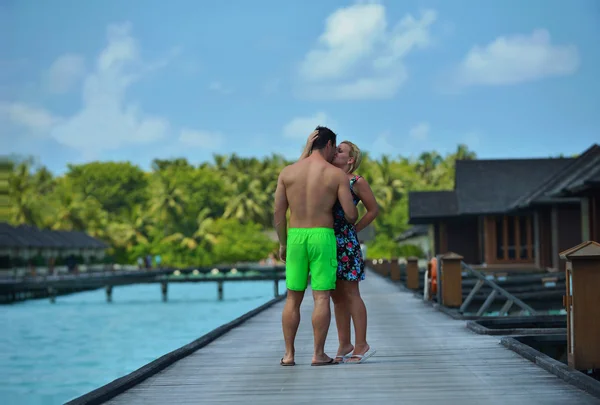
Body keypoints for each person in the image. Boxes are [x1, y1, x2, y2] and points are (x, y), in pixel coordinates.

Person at [274, 126, 358, 367]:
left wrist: (283, 242)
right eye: (336, 148)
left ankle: (289, 355)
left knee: (293, 299)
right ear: (330, 145)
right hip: (323, 236)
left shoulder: (288, 172)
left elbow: (279, 213)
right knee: (321, 298)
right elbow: (351, 215)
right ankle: (318, 354)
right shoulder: (335, 175)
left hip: (296, 237)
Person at [300, 134, 379, 364]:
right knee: (335, 297)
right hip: (325, 240)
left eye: (340, 151)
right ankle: (345, 343)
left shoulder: (356, 181)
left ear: (351, 160)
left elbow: (373, 209)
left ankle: (361, 343)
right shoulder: (328, 177)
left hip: (346, 241)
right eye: (335, 150)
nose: (335, 153)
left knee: (352, 293)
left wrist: (355, 228)